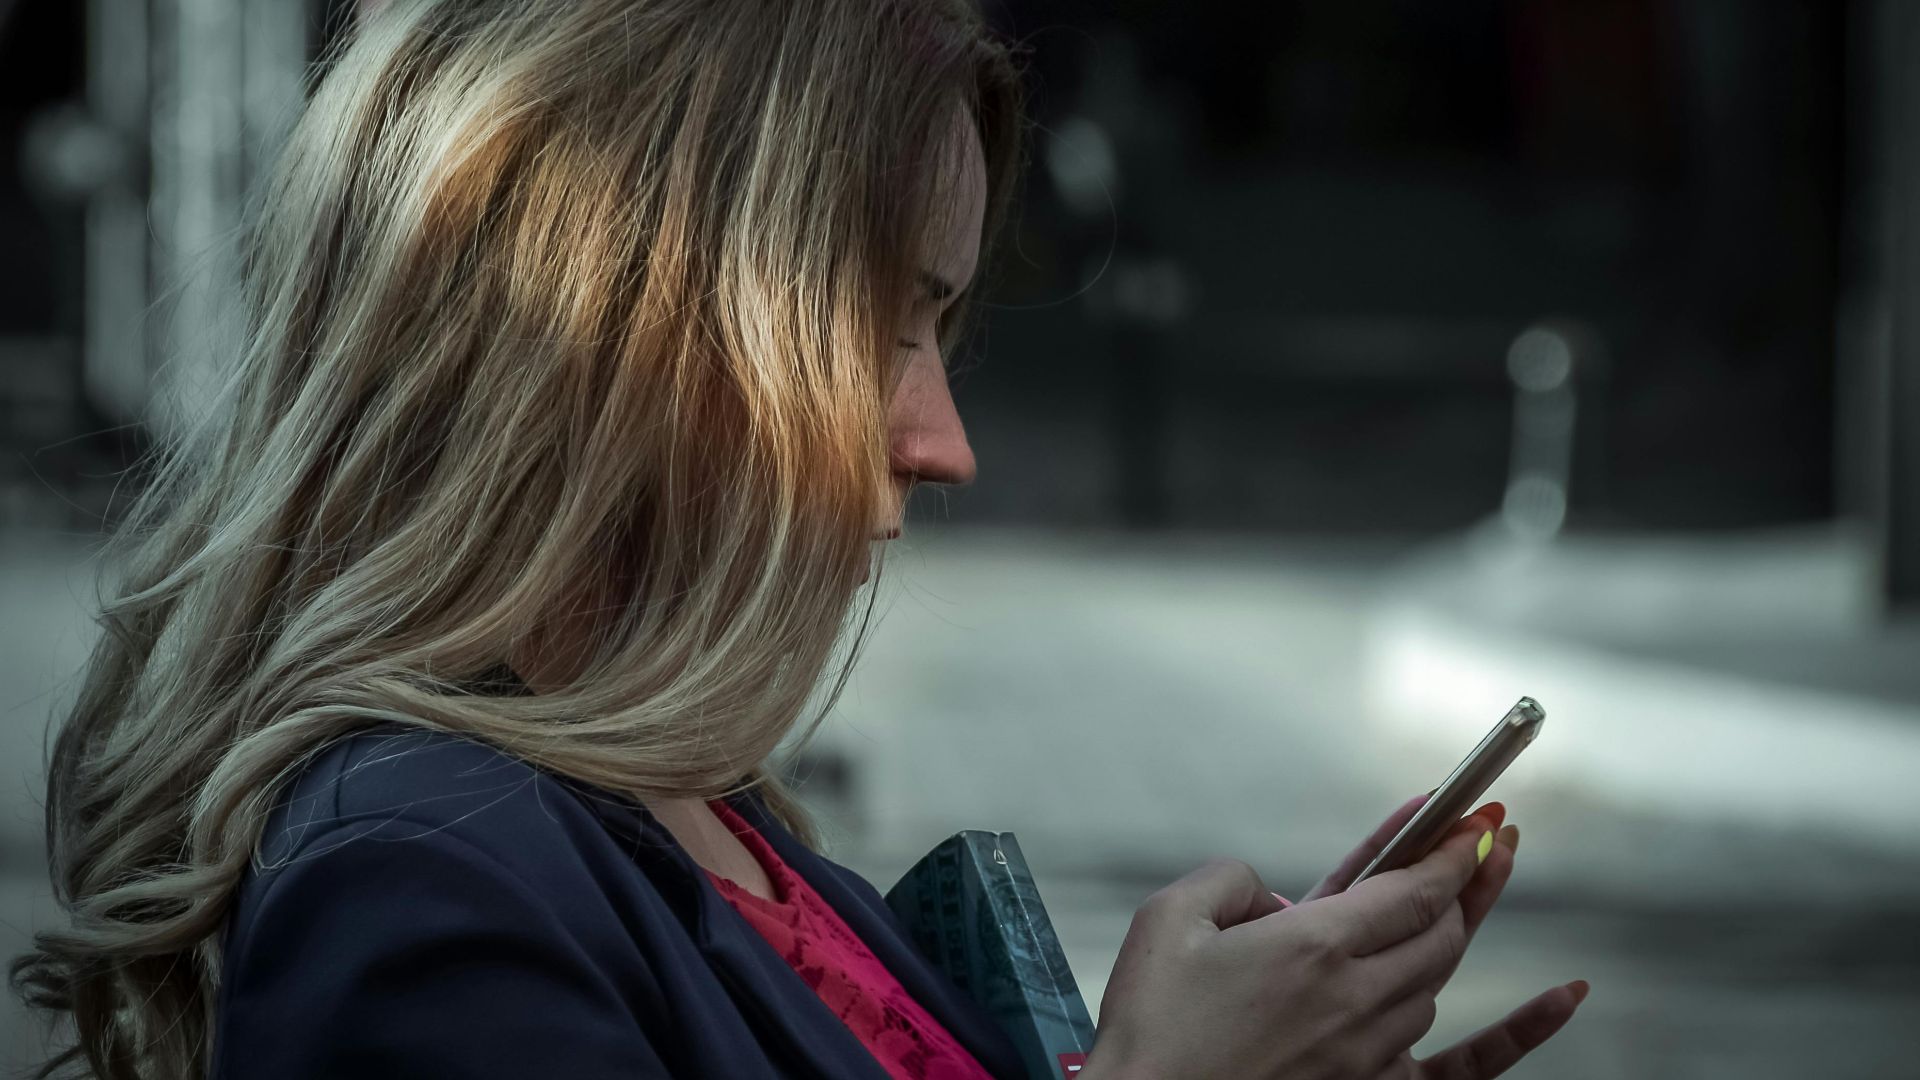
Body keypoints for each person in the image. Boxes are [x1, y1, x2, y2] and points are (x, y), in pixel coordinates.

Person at [8, 1, 1587, 1077]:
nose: (943, 442)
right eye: (878, 324)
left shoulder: (678, 807)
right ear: (610, 329)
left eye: (940, 327)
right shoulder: (420, 876)